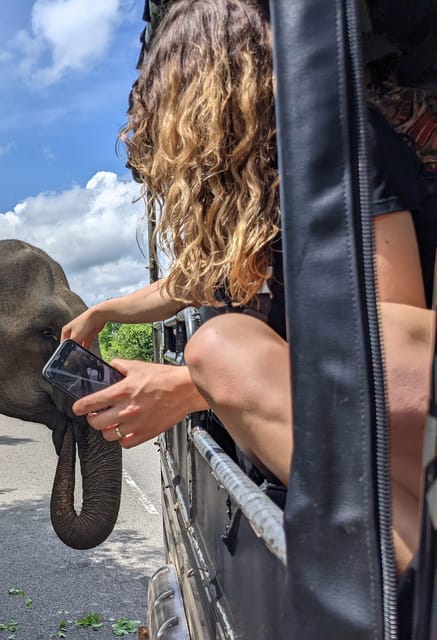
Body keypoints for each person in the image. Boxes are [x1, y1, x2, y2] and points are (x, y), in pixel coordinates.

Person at [62, 0, 435, 575]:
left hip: (397, 455)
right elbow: (188, 281)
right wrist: (102, 314)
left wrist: (197, 385)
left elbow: (399, 350)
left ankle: (410, 585)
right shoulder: (260, 199)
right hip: (335, 459)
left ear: (208, 93)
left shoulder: (338, 151)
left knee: (221, 346)